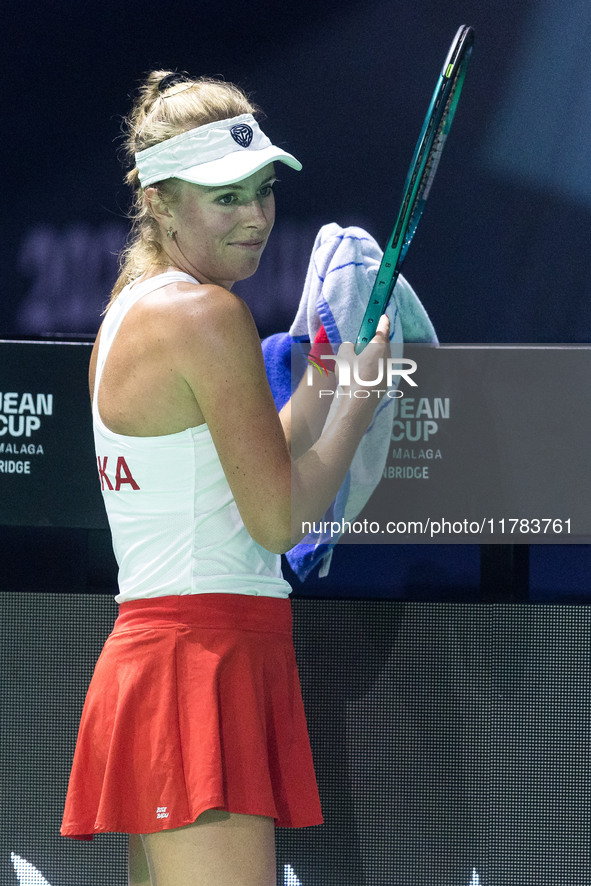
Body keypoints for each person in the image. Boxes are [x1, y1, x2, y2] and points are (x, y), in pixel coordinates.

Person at [60, 70, 390, 886]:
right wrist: (356, 407)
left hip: (168, 660)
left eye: (261, 191)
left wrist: (316, 389)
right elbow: (277, 521)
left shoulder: (137, 307)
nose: (254, 219)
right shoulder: (207, 316)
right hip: (197, 668)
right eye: (223, 197)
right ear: (162, 202)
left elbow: (228, 479)